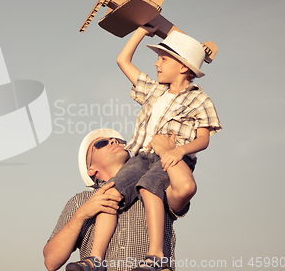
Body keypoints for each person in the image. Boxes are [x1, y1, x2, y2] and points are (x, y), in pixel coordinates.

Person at [74, 26, 222, 271]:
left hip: (172, 157)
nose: (156, 64)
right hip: (142, 155)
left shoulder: (199, 98)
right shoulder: (154, 91)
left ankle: (156, 256)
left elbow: (203, 139)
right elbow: (123, 60)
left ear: (183, 66)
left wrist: (178, 152)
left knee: (149, 188)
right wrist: (143, 30)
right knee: (109, 193)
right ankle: (95, 259)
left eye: (163, 59)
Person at [43, 129, 186, 271]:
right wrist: (82, 214)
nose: (114, 141)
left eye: (119, 141)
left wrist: (169, 152)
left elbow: (185, 188)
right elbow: (51, 262)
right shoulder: (80, 201)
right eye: (101, 143)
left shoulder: (154, 187)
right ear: (91, 169)